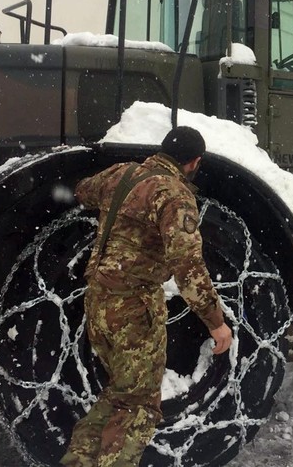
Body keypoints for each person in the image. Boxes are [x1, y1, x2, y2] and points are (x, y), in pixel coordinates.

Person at [61, 126, 233, 467]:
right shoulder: (175, 195)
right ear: (194, 162)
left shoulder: (122, 174)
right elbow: (187, 268)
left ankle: (78, 461)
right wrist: (216, 323)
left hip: (97, 300)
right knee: (139, 404)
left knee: (121, 393)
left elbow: (83, 191)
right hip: (133, 308)